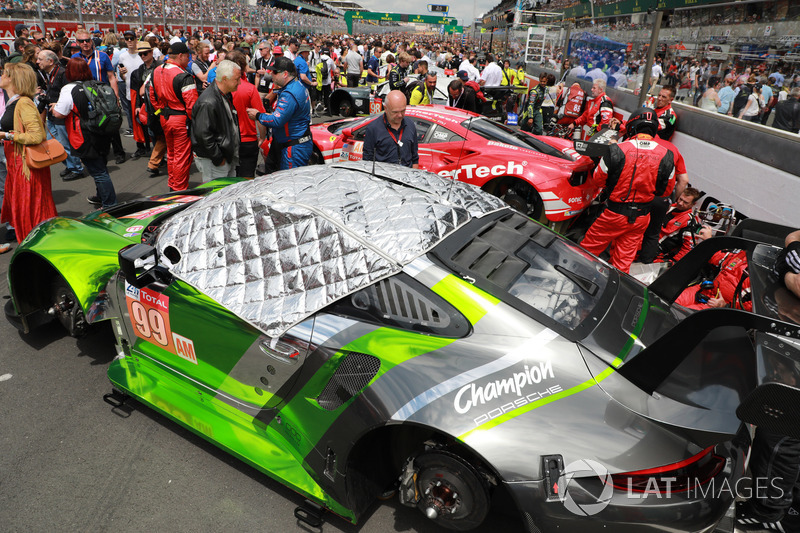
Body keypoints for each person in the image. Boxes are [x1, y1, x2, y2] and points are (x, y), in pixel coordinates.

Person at [580, 108, 675, 273]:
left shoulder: (617, 149)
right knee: (622, 263)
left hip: (613, 214)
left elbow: (598, 180)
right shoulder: (667, 155)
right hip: (641, 217)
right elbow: (666, 190)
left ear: (632, 126)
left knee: (586, 253)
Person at [0, 63, 57, 252]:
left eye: (5, 74)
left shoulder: (23, 103)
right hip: (17, 166)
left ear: (13, 80)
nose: (1, 76)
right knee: (23, 211)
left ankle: (41, 251)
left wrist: (7, 136)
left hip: (27, 167)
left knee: (32, 211)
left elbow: (36, 136)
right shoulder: (14, 102)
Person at [52, 59, 117, 208]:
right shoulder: (96, 84)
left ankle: (110, 205)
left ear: (69, 72)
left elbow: (60, 113)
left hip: (84, 134)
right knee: (101, 166)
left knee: (98, 171)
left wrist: (54, 107)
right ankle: (101, 196)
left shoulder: (69, 88)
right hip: (103, 130)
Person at [246, 56, 312, 171]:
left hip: (294, 147)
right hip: (292, 143)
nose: (271, 74)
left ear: (285, 74)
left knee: (290, 183)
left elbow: (277, 120)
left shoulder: (290, 93)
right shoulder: (294, 85)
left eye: (274, 72)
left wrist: (257, 116)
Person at [71, 29, 126, 164]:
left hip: (103, 95)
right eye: (82, 41)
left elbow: (112, 77)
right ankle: (101, 152)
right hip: (86, 96)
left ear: (91, 41)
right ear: (77, 42)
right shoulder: (75, 58)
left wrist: (116, 96)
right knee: (92, 124)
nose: (85, 43)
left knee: (111, 123)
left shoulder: (102, 56)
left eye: (87, 40)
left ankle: (119, 152)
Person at [149, 41, 199, 191]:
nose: (189, 60)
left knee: (171, 154)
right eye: (188, 57)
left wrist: (162, 111)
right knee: (181, 157)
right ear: (181, 56)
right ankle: (179, 190)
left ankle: (173, 185)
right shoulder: (184, 76)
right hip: (180, 120)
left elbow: (152, 97)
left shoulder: (156, 71)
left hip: (165, 118)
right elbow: (192, 106)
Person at [36, 49, 85, 181]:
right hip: (53, 115)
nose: (37, 62)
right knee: (56, 142)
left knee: (65, 143)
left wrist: (57, 104)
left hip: (61, 114)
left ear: (50, 61)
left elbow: (69, 94)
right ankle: (70, 165)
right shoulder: (50, 73)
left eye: (40, 59)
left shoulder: (62, 73)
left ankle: (76, 168)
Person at [191, 60, 241, 182]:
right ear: (224, 79)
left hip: (225, 157)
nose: (239, 82)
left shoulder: (224, 94)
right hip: (215, 161)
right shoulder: (208, 101)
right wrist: (218, 158)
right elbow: (203, 135)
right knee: (216, 196)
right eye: (236, 79)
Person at [227, 51, 266, 178]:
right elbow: (260, 116)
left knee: (227, 179)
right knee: (247, 179)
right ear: (244, 67)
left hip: (226, 141)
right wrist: (262, 137)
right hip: (247, 140)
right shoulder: (249, 88)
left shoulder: (219, 86)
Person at [643, 188, 703, 264]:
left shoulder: (690, 222)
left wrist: (673, 263)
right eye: (680, 199)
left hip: (656, 255)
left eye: (685, 202)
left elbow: (688, 247)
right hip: (644, 242)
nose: (680, 203)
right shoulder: (670, 206)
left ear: (693, 204)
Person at [362, 90, 418, 168]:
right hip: (384, 177)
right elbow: (367, 162)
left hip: (406, 178)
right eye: (395, 112)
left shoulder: (410, 125)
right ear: (385, 108)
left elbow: (415, 159)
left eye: (403, 111)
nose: (400, 115)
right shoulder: (373, 128)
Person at [117, 31, 146, 158]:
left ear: (136, 39)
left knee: (147, 120)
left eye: (131, 38)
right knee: (135, 121)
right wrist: (122, 74)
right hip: (131, 92)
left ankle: (152, 146)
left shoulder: (142, 53)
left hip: (144, 93)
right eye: (126, 38)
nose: (129, 41)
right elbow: (123, 77)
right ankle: (140, 146)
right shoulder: (122, 56)